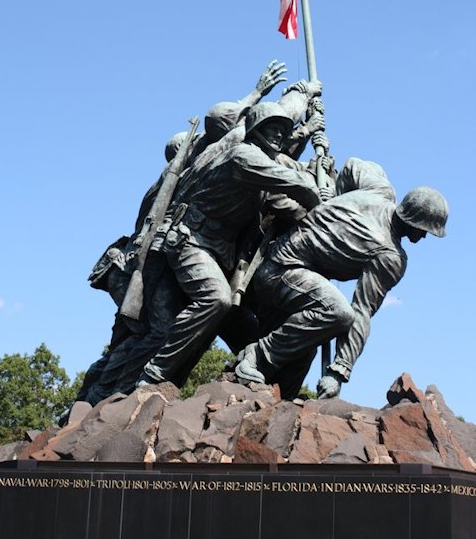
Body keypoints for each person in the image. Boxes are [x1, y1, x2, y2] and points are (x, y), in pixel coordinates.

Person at [136, 102, 321, 389]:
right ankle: (154, 374)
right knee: (216, 300)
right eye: (272, 127)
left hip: (221, 255)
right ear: (256, 129)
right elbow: (296, 184)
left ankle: (244, 380)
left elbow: (289, 205)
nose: (279, 135)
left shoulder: (261, 173)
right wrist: (320, 200)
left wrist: (320, 170)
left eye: (283, 130)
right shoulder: (243, 156)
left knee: (252, 333)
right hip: (191, 241)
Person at [234, 158, 448, 400]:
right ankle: (256, 356)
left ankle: (274, 403)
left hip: (289, 275)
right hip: (281, 272)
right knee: (337, 312)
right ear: (414, 223)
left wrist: (335, 199)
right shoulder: (390, 257)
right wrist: (339, 370)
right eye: (425, 230)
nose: (424, 237)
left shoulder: (379, 190)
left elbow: (352, 166)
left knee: (303, 352)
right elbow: (360, 311)